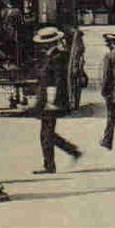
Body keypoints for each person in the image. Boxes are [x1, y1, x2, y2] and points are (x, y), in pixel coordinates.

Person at [31, 27, 82, 174]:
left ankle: (50, 165)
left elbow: (56, 81)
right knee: (47, 133)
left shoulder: (57, 57)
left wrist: (51, 101)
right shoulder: (53, 55)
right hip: (48, 100)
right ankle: (70, 152)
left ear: (48, 43)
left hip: (51, 101)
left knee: (46, 134)